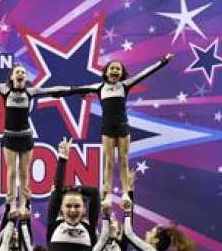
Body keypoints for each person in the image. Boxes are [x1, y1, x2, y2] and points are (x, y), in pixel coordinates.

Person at [0, 66, 76, 215]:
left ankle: (24, 204)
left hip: (25, 136)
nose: (20, 74)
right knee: (12, 172)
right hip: (10, 136)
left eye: (23, 72)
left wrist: (75, 90)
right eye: (17, 72)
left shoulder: (30, 92)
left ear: (26, 78)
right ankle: (11, 205)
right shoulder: (4, 90)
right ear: (11, 77)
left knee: (24, 173)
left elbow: (54, 90)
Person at [72, 54, 174, 206]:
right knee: (109, 161)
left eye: (118, 69)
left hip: (122, 127)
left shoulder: (125, 85)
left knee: (123, 161)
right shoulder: (99, 87)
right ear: (106, 72)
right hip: (107, 128)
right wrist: (80, 93)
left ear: (121, 73)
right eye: (112, 68)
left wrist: (163, 61)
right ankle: (107, 195)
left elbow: (145, 73)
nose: (115, 71)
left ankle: (126, 193)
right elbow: (73, 90)